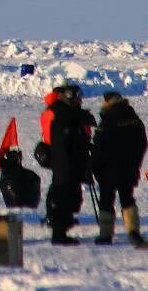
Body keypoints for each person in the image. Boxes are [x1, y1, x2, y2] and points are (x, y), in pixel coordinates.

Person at [90, 91, 148, 245]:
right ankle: (133, 231)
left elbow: (98, 147)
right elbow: (143, 143)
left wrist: (93, 166)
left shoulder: (107, 121)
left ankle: (105, 234)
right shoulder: (134, 119)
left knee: (106, 201)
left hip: (108, 170)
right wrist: (136, 162)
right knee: (127, 198)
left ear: (108, 103)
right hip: (129, 168)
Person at [45, 84, 96, 244]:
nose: (81, 101)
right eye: (78, 98)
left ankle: (62, 230)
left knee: (69, 198)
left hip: (69, 164)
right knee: (63, 198)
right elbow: (70, 143)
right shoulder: (64, 116)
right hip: (67, 165)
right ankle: (59, 234)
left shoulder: (67, 114)